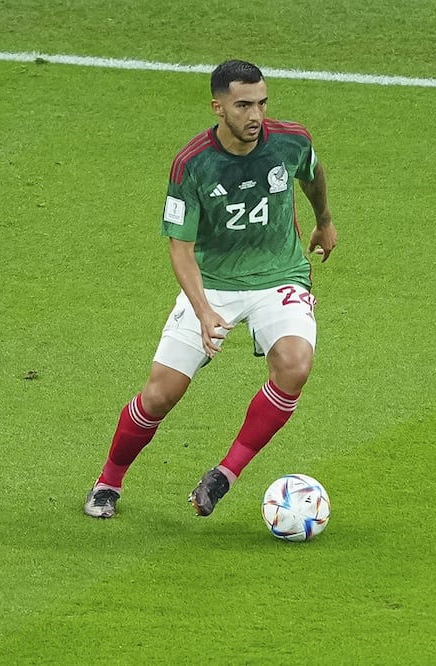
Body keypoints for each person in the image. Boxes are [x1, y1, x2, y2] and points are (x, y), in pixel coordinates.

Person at [83, 59, 337, 519]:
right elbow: (180, 249)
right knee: (161, 394)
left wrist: (324, 220)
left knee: (296, 365)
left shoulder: (290, 141)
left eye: (261, 103)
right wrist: (202, 312)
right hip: (213, 285)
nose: (255, 115)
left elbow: (312, 173)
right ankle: (108, 482)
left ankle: (226, 473)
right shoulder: (193, 164)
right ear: (218, 107)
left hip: (279, 274)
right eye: (243, 105)